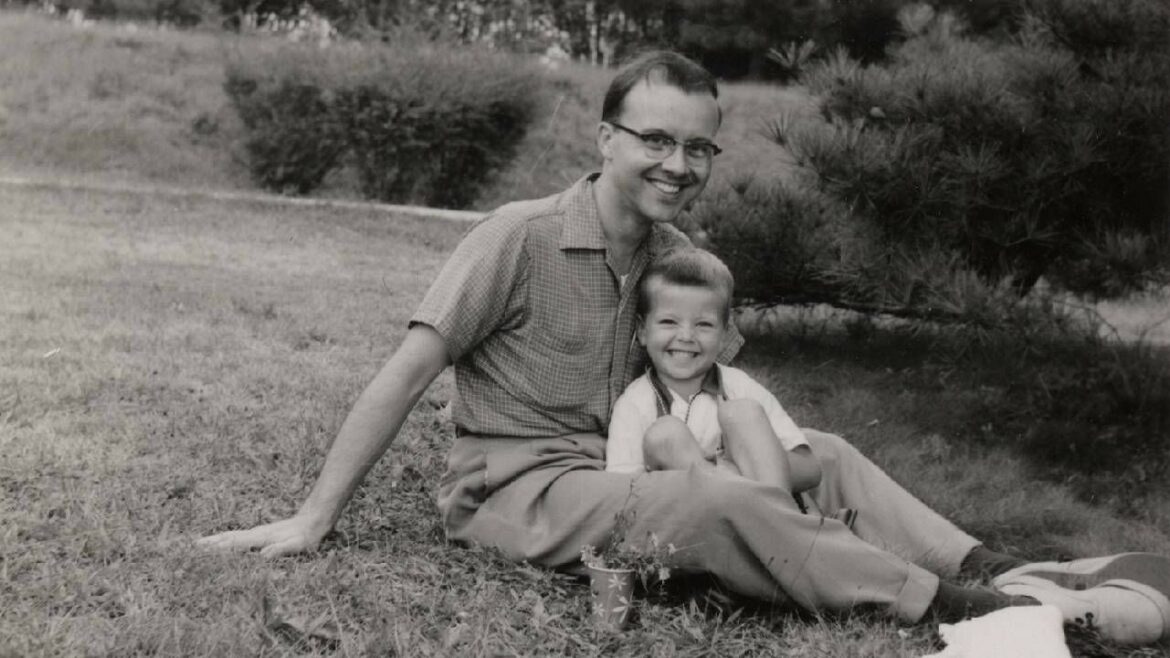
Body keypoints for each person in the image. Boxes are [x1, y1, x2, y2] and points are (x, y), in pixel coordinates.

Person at [198, 50, 1170, 646]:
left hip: (641, 468)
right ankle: (948, 608)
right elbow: (407, 372)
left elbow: (714, 388)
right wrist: (314, 516)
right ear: (606, 136)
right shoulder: (519, 234)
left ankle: (990, 565)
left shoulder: (685, 260)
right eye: (655, 140)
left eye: (699, 148)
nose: (678, 163)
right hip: (519, 489)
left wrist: (763, 450)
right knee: (703, 500)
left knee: (819, 451)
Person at [605, 247, 823, 501]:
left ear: (724, 336)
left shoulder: (738, 388)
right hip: (686, 525)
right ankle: (745, 512)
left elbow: (809, 468)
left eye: (703, 324)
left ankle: (775, 522)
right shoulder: (634, 405)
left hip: (761, 510)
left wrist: (741, 463)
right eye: (668, 322)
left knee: (744, 414)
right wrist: (701, 472)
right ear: (642, 331)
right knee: (666, 434)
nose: (686, 336)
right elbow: (620, 494)